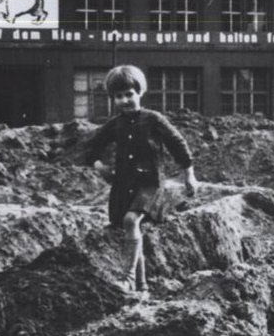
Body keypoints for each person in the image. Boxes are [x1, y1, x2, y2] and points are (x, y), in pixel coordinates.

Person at [84, 65, 198, 298]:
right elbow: (92, 147)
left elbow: (178, 144)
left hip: (150, 184)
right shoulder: (115, 124)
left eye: (129, 94)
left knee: (130, 220)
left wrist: (189, 175)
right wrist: (99, 166)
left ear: (140, 93)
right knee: (130, 229)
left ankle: (126, 279)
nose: (125, 100)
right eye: (119, 96)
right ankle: (142, 289)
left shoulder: (153, 120)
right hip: (124, 184)